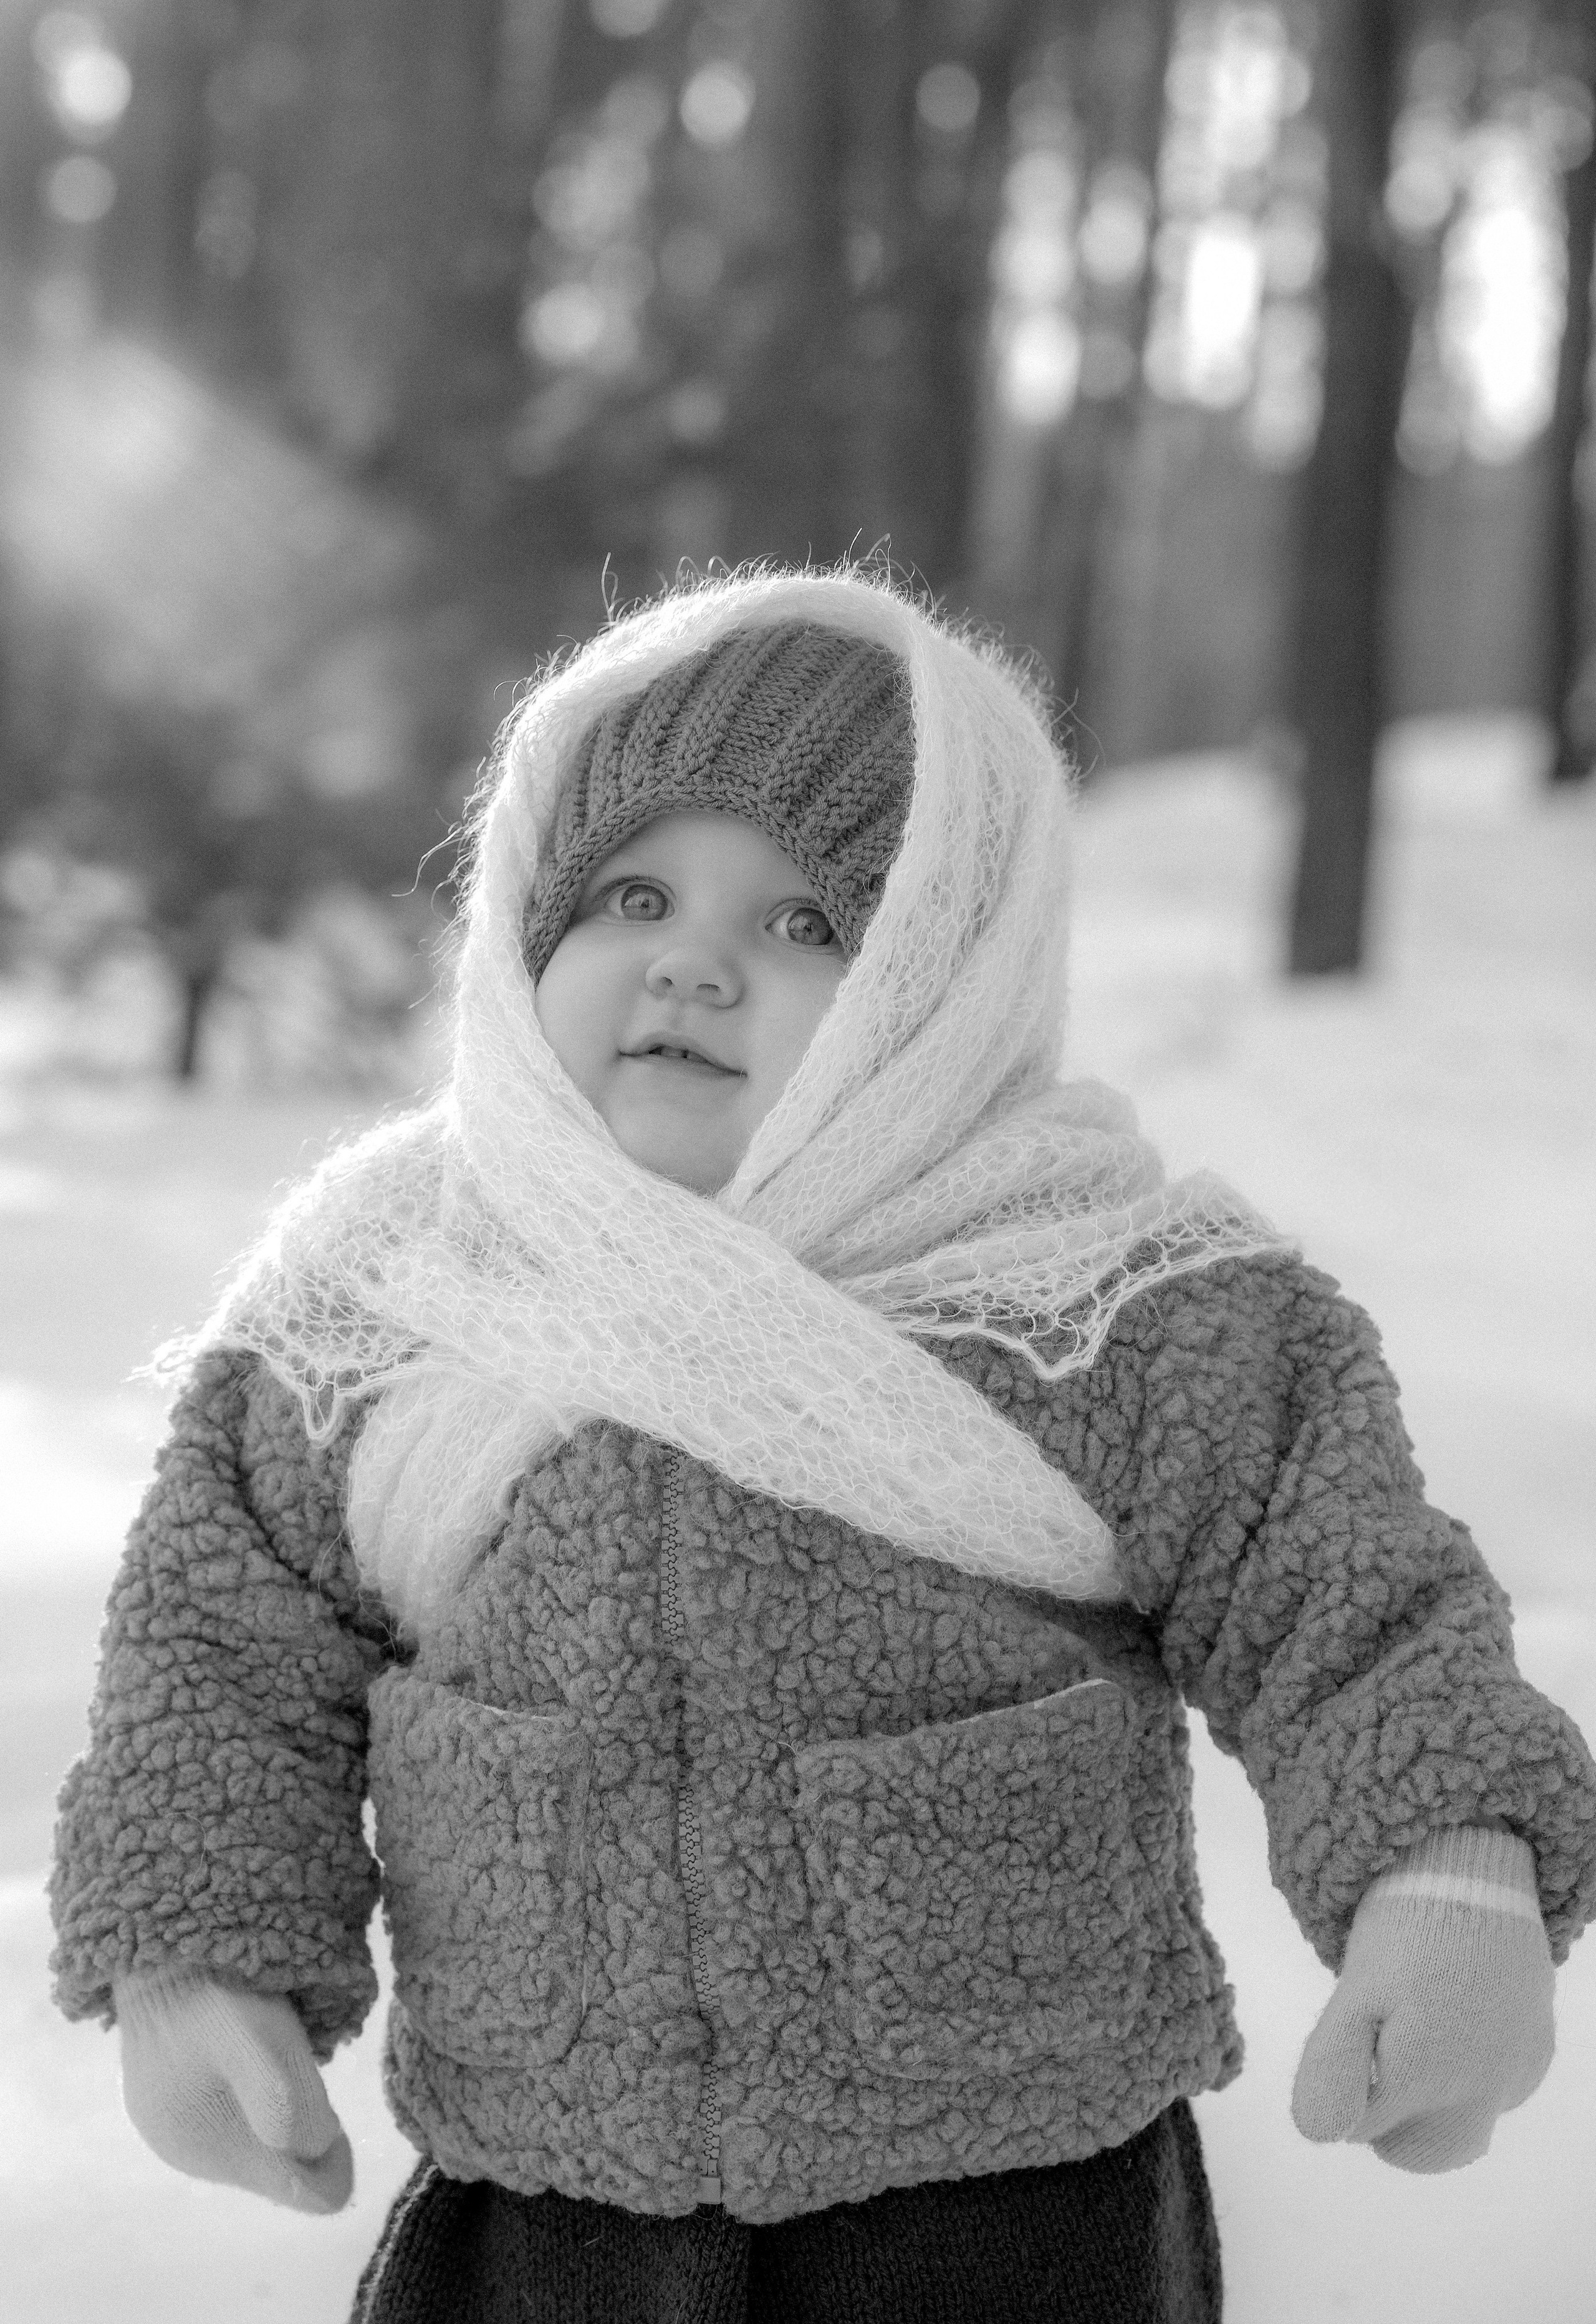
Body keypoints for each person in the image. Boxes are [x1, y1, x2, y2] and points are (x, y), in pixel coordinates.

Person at [49, 570, 1596, 2324]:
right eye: (633, 891)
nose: (693, 958)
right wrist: (197, 1955)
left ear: (939, 994)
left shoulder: (1101, 1301)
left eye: (808, 924)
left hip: (1013, 2208)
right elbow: (220, 1653)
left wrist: (1445, 1871)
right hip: (545, 2197)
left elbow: (1351, 1599)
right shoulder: (391, 1300)